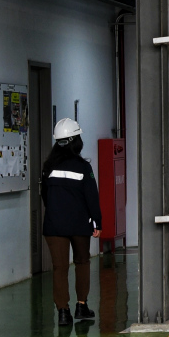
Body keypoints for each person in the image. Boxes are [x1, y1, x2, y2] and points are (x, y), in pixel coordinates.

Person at [40, 118, 102, 326]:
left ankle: (63, 312)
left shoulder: (48, 167)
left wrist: (57, 211)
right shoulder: (84, 168)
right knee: (82, 262)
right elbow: (92, 197)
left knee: (59, 268)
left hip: (54, 224)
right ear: (76, 141)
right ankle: (81, 305)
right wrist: (97, 223)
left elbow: (44, 196)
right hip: (79, 224)